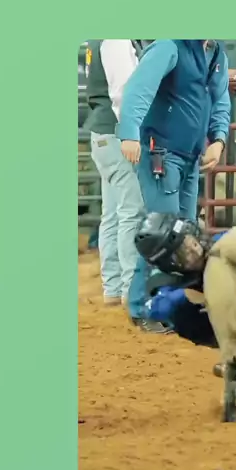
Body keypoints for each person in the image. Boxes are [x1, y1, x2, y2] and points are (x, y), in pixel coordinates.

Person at [117, 40, 231, 331]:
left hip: (189, 156)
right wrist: (129, 132)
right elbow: (138, 88)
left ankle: (174, 306)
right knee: (162, 234)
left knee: (183, 236)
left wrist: (219, 139)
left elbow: (220, 99)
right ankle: (143, 308)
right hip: (161, 151)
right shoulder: (169, 46)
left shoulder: (216, 53)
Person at [134, 212, 236, 377]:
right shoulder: (167, 279)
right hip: (221, 322)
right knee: (181, 314)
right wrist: (190, 294)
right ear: (169, 263)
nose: (192, 248)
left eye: (188, 239)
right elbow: (154, 308)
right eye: (181, 251)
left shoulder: (219, 244)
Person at [85, 40, 150, 306]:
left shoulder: (101, 38)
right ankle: (129, 288)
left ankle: (113, 287)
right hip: (117, 134)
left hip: (104, 133)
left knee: (112, 213)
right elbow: (124, 92)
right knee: (131, 210)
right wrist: (131, 133)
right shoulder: (117, 38)